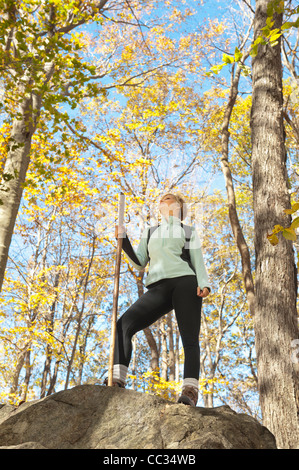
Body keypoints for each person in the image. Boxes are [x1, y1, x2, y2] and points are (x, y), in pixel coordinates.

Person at [109, 193, 210, 407]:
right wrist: (123, 240)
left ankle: (190, 390)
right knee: (123, 325)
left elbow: (197, 260)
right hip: (158, 286)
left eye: (170, 199)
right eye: (162, 200)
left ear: (179, 207)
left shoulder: (187, 231)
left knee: (189, 338)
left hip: (185, 282)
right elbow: (139, 263)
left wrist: (204, 283)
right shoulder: (150, 231)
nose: (164, 201)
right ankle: (116, 380)